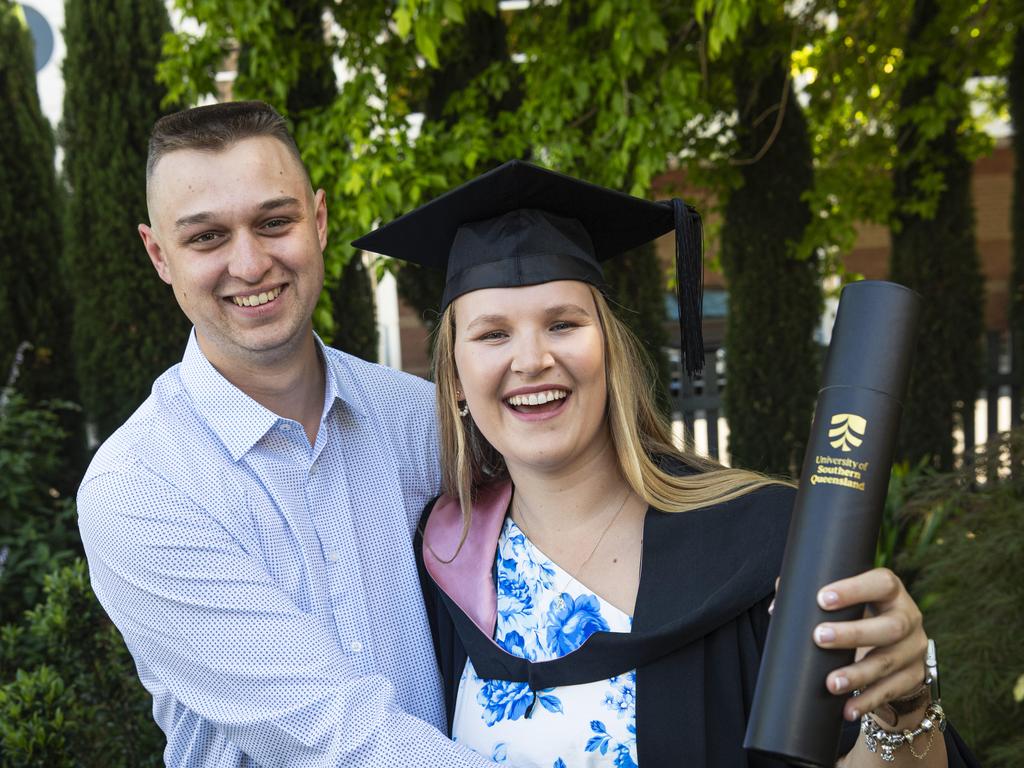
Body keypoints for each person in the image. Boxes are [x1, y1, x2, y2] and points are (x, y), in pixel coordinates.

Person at [352, 160, 979, 767]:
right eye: (492, 334)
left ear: (609, 351)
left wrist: (905, 711)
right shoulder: (445, 564)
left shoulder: (763, 540)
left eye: (563, 324)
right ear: (455, 378)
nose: (532, 359)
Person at [76, 101, 496, 766]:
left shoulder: (418, 418)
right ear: (159, 254)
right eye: (206, 237)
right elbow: (333, 736)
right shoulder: (138, 487)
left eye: (274, 222)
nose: (249, 264)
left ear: (320, 220)